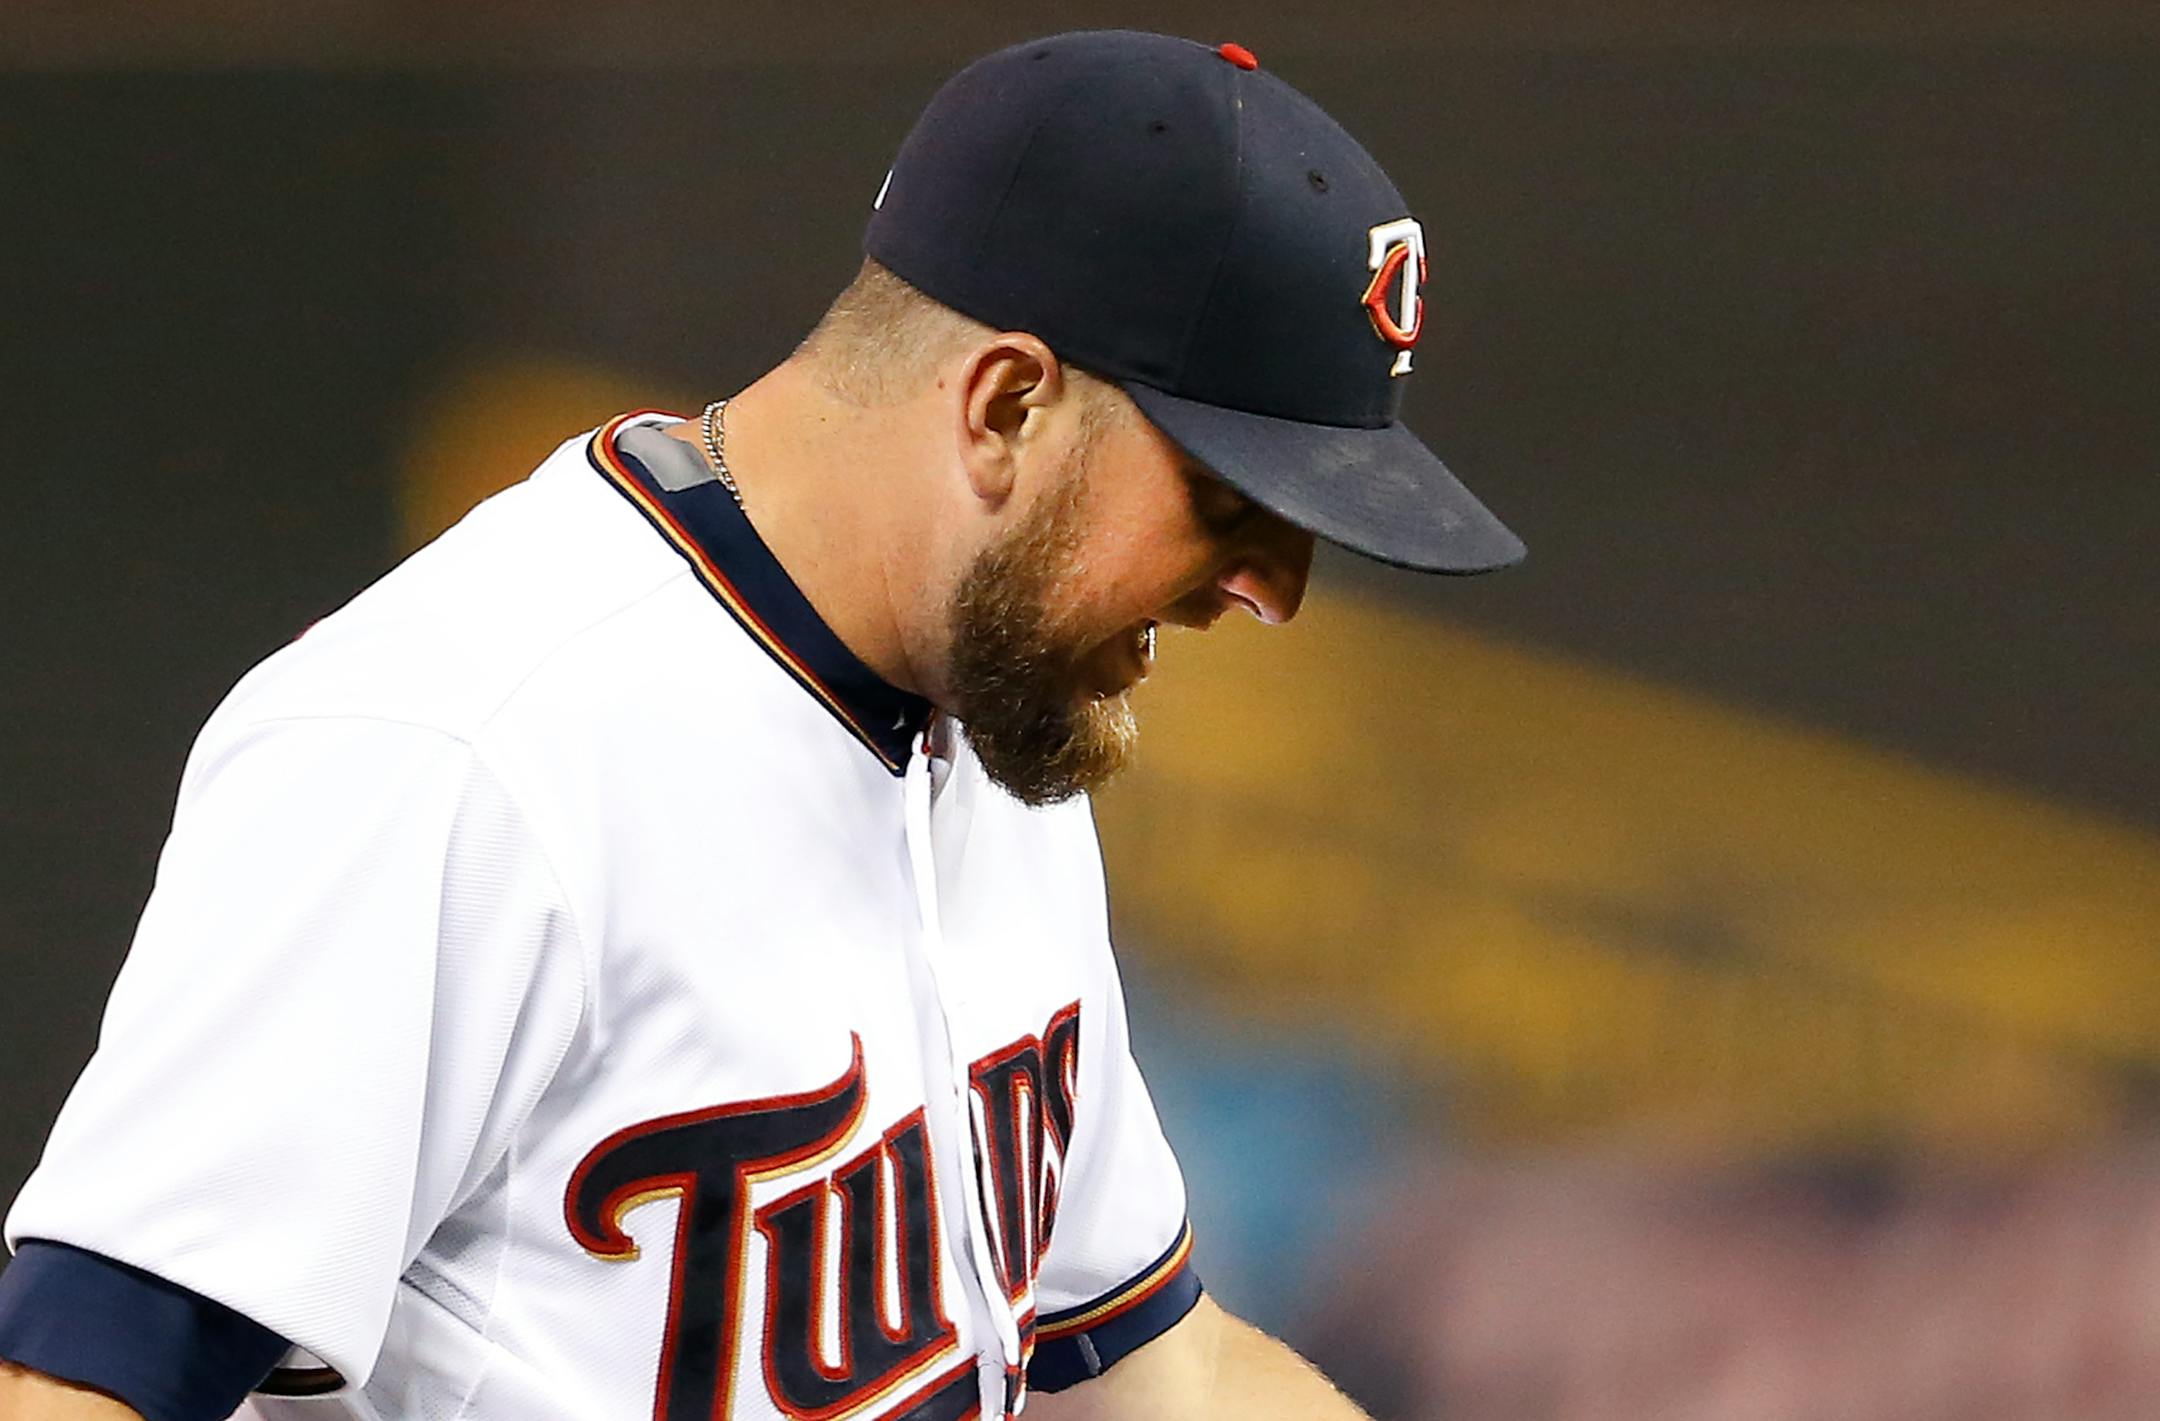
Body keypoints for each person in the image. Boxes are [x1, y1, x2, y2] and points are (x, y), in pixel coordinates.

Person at [0, 29, 1520, 1421]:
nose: (1272, 589)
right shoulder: (458, 741)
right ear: (1004, 406)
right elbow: (83, 1380)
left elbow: (1151, 1367)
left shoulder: (996, 728)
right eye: (1231, 502)